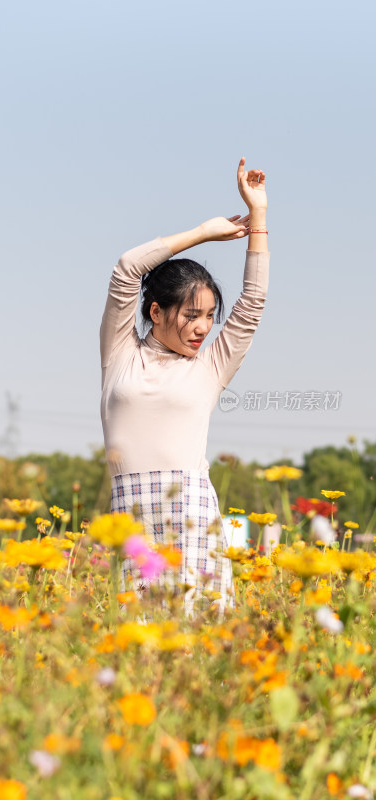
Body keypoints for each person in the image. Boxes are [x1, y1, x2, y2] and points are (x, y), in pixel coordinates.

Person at [99, 158, 269, 612]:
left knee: (195, 643)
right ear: (155, 312)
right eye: (191, 315)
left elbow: (252, 303)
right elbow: (126, 269)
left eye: (210, 316)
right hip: (130, 519)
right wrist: (202, 233)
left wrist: (258, 218)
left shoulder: (210, 365)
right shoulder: (120, 353)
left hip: (192, 518)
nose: (203, 328)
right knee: (135, 645)